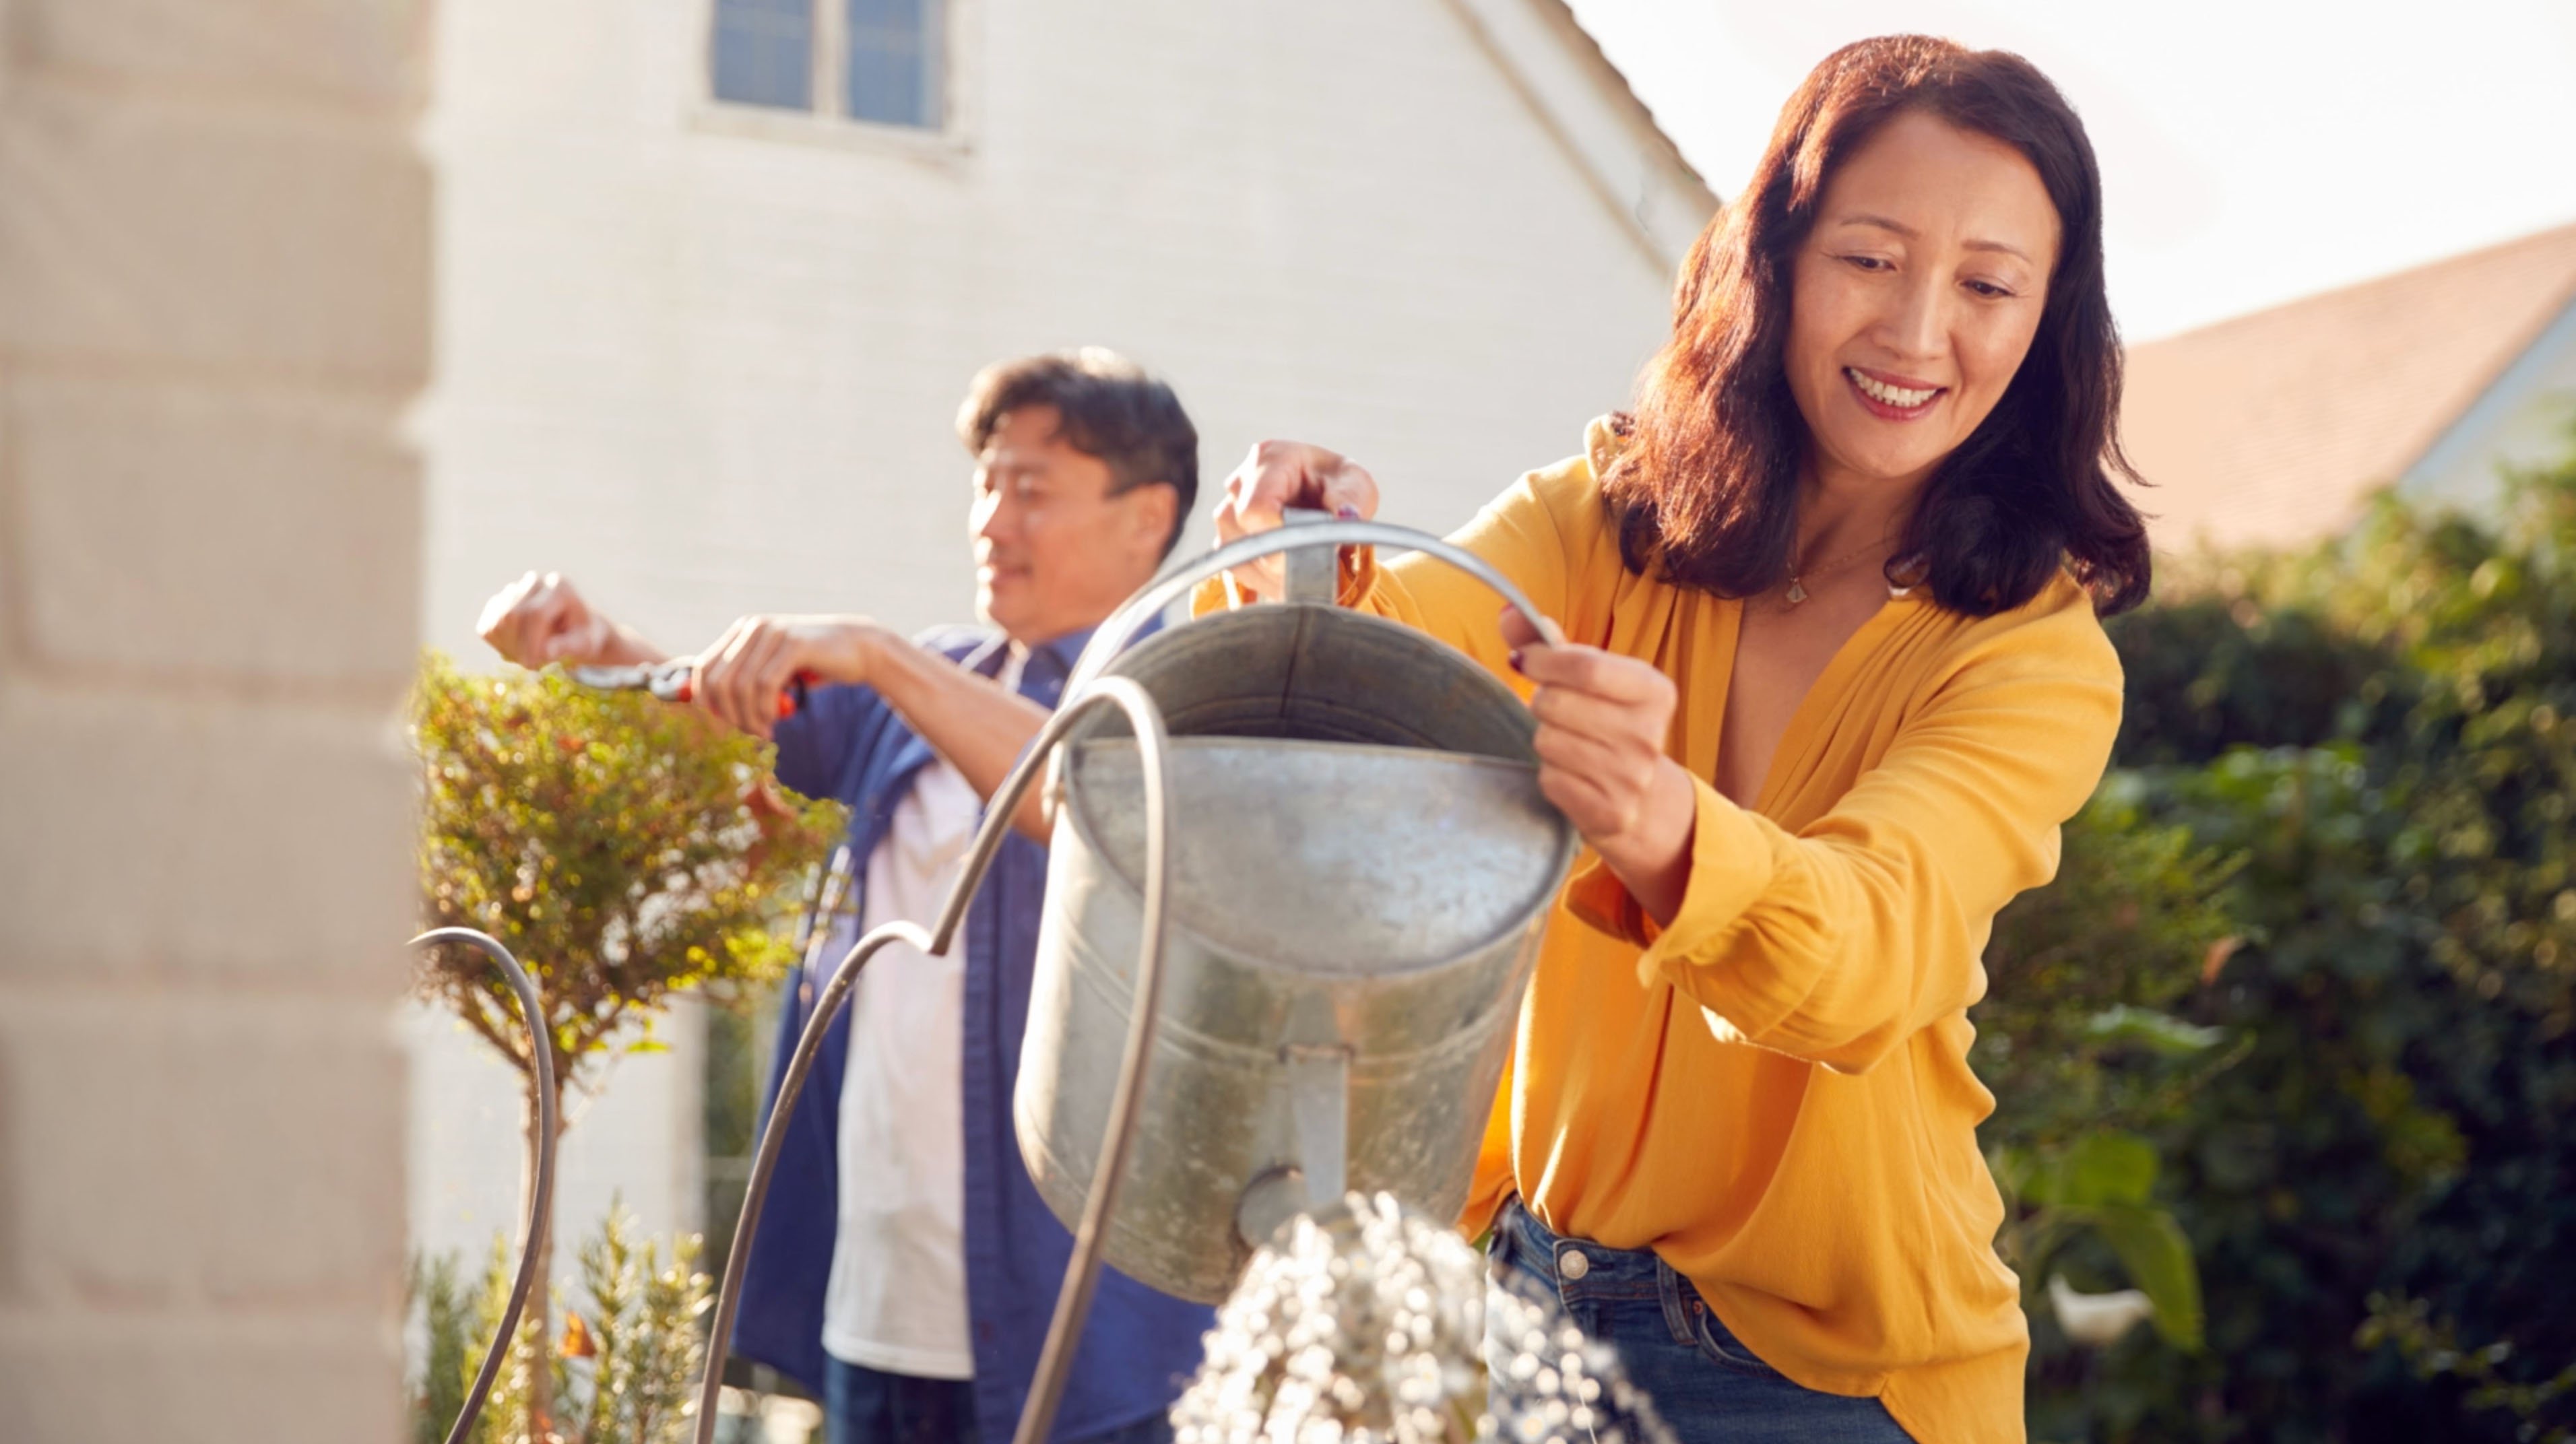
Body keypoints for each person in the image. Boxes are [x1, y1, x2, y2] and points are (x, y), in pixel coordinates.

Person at [1206, 36, 2150, 1444]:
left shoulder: (2030, 652)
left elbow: (1870, 959)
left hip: (1830, 1387)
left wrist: (1659, 826)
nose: (1915, 333)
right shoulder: (1605, 519)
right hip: (1531, 1316)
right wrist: (1304, 550)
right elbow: (1377, 672)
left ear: (2044, 324)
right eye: (1870, 258)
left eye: (1987, 286)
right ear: (1773, 258)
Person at [476, 350, 1215, 1444]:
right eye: (986, 483)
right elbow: (722, 715)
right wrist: (598, 651)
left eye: (1033, 490)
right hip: (882, 1313)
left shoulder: (1186, 693)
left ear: (1146, 518)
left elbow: (1091, 797)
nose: (992, 520)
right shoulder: (939, 674)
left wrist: (875, 654)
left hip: (1091, 1336)